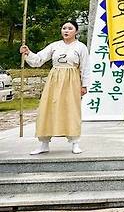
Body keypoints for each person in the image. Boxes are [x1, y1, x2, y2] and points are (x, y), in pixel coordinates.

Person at [20, 20, 89, 155]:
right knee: (47, 109)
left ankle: (75, 142)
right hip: (54, 80)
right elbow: (39, 59)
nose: (66, 31)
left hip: (72, 80)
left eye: (70, 28)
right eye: (64, 28)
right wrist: (27, 53)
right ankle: (44, 143)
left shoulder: (81, 47)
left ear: (76, 31)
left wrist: (84, 85)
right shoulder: (54, 45)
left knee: (71, 110)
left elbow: (86, 67)